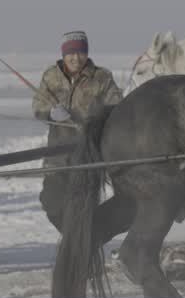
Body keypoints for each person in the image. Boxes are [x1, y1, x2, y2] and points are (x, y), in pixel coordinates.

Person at [32, 31, 124, 231]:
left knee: (82, 207)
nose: (76, 58)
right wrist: (50, 114)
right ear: (64, 54)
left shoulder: (101, 77)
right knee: (51, 202)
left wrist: (96, 122)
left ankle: (83, 242)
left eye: (81, 52)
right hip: (57, 156)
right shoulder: (51, 76)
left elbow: (118, 109)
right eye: (71, 53)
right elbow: (37, 107)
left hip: (88, 157)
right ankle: (77, 237)